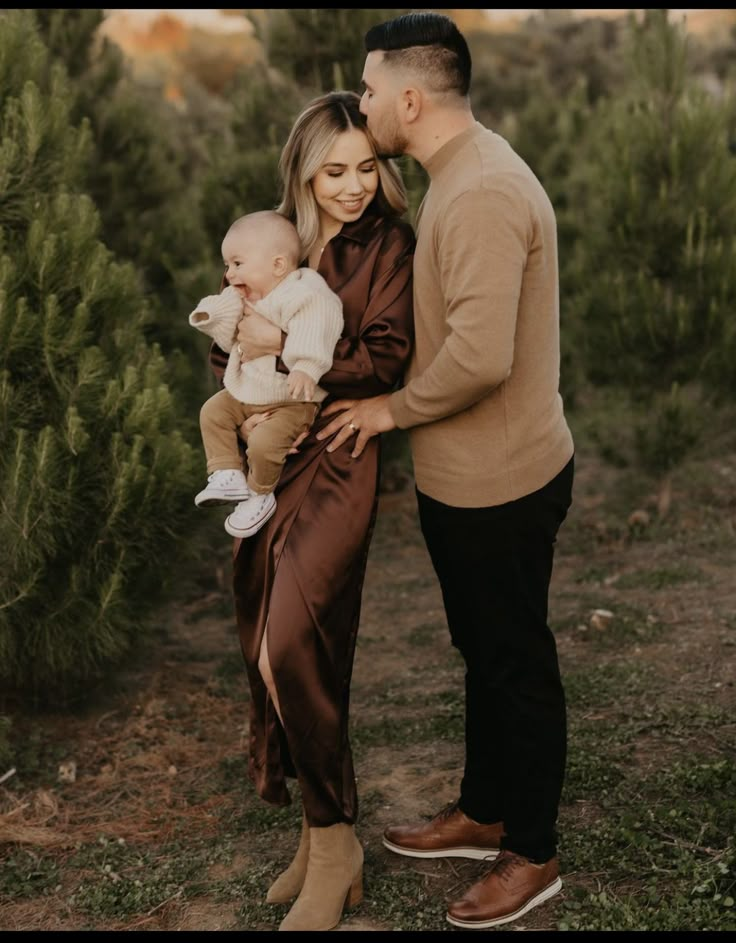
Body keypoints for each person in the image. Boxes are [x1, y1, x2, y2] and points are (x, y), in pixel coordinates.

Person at [317, 12, 575, 930]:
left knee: (515, 661)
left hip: (503, 482)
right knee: (483, 650)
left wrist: (387, 408)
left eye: (374, 87)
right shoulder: (458, 174)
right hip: (466, 478)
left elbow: (479, 357)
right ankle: (486, 806)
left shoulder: (484, 194)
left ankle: (531, 850)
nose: (366, 101)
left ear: (413, 98)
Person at [208, 91, 414, 931]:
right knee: (265, 645)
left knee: (297, 640)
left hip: (339, 459)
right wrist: (238, 349)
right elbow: (230, 334)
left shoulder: (388, 245)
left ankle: (337, 845)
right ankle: (316, 830)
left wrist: (298, 365)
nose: (354, 186)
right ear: (303, 171)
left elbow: (390, 353)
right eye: (335, 171)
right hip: (274, 459)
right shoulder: (277, 242)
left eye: (367, 168)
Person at [189, 210, 343, 539]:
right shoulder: (243, 294)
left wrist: (305, 367)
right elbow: (222, 314)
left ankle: (260, 494)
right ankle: (226, 472)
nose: (229, 273)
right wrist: (207, 315)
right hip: (249, 392)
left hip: (293, 400)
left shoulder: (304, 293)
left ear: (277, 265)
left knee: (263, 443)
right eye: (227, 265)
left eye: (237, 264)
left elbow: (317, 330)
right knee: (212, 411)